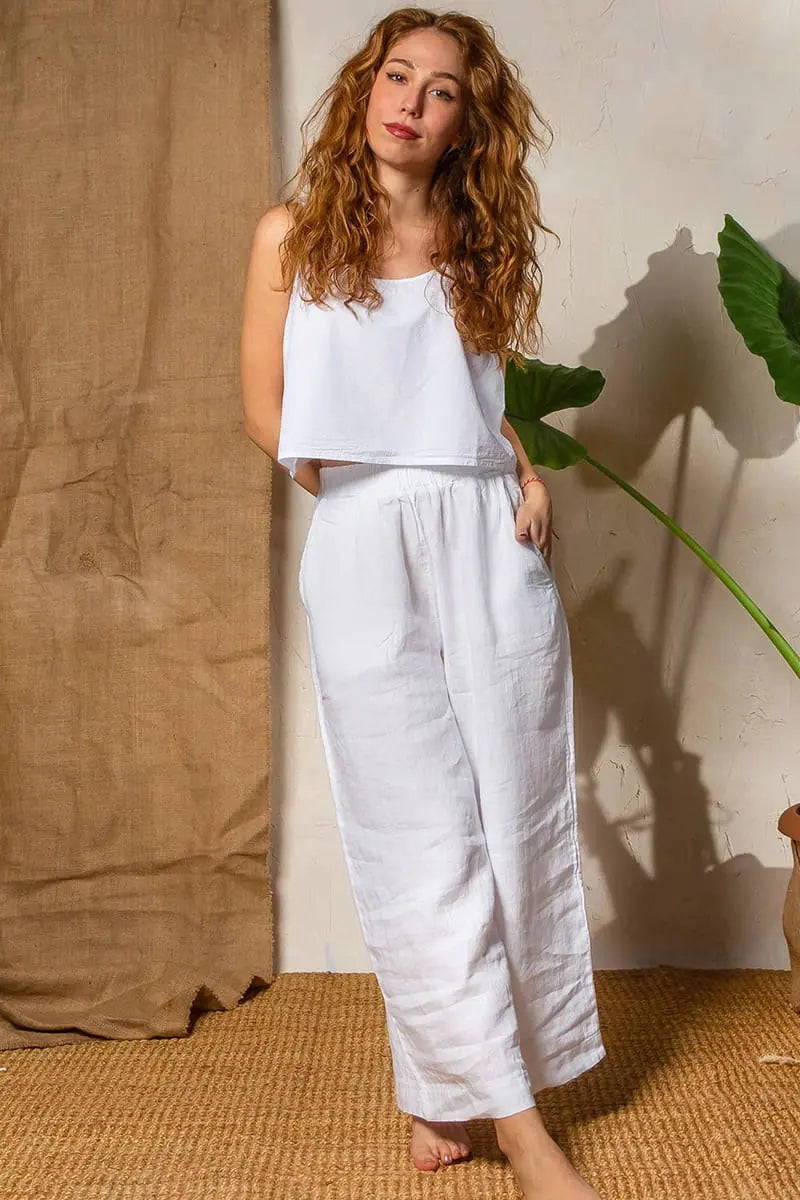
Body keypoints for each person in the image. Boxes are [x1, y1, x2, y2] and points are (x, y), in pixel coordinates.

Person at [240, 10, 606, 1199]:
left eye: (441, 90)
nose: (411, 100)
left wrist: (521, 469)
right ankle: (517, 1124)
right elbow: (268, 414)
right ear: (362, 91)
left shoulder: (472, 235)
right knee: (412, 828)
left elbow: (472, 397)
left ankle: (445, 1086)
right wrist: (370, 494)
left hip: (486, 535)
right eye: (394, 75)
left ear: (463, 126)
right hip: (364, 539)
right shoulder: (290, 238)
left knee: (510, 808)